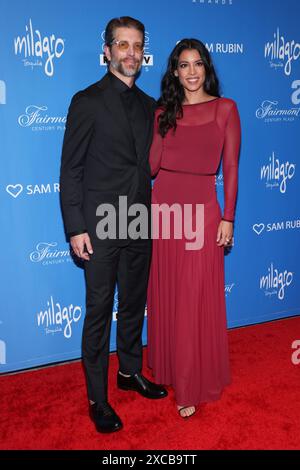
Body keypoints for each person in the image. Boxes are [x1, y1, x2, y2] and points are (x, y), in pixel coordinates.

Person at [60, 16, 167, 434]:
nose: (130, 53)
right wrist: (75, 226)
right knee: (99, 310)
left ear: (144, 52)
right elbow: (71, 170)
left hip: (139, 217)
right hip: (100, 224)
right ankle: (97, 398)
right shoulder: (85, 100)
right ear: (107, 51)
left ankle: (129, 372)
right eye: (122, 45)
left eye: (137, 46)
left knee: (134, 304)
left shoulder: (148, 106)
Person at [147, 39, 241, 418]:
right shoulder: (162, 113)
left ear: (207, 68)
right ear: (173, 71)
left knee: (189, 297)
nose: (191, 72)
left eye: (197, 64)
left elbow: (231, 168)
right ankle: (170, 368)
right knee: (168, 294)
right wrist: (155, 126)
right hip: (163, 211)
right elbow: (151, 168)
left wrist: (228, 217)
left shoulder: (225, 109)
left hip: (202, 211)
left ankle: (187, 386)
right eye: (183, 65)